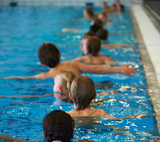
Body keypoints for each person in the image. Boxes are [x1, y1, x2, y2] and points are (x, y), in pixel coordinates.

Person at [3, 43, 137, 80]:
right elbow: (98, 69)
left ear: (42, 64)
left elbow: (26, 78)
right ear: (60, 54)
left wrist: (8, 77)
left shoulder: (45, 76)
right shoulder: (74, 64)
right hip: (84, 96)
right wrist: (120, 69)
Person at [68, 76, 156, 119]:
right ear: (95, 96)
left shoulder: (67, 116)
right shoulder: (100, 113)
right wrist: (145, 115)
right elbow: (118, 120)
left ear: (70, 96)